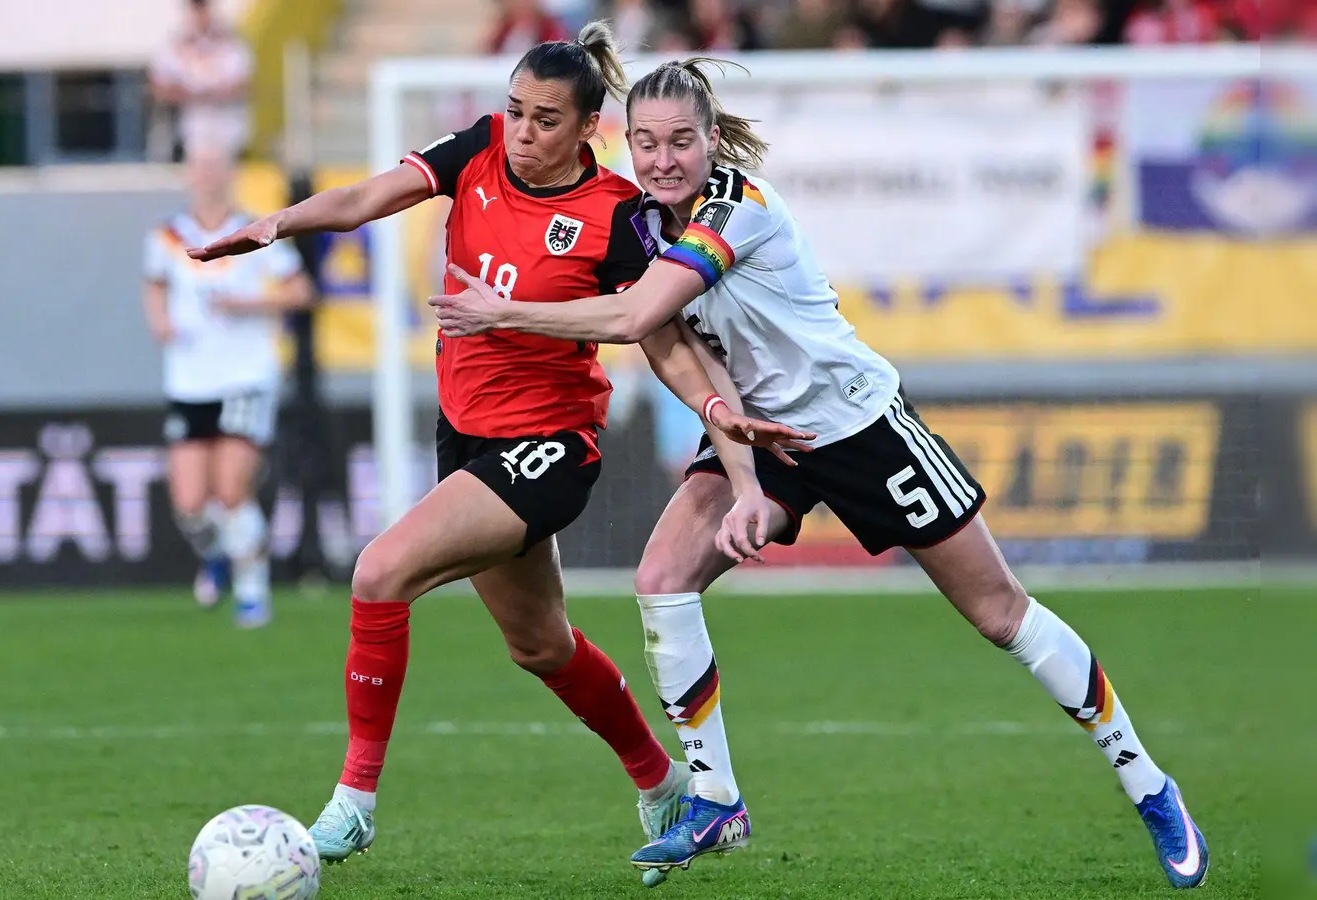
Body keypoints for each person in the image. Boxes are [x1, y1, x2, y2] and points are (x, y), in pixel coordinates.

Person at [429, 58, 1211, 889]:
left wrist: (502, 310)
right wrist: (746, 479)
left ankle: (1150, 786)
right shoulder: (639, 223)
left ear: (711, 138)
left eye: (681, 142)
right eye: (647, 143)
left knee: (999, 614)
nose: (662, 160)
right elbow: (684, 357)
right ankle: (716, 797)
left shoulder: (740, 208)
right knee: (662, 578)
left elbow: (632, 317)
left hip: (856, 424)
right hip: (760, 432)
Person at [186, 25, 806, 864]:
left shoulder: (618, 215)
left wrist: (723, 431)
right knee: (539, 644)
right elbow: (369, 197)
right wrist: (277, 224)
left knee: (379, 572)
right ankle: (661, 785)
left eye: (545, 120)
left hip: (551, 446)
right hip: (467, 435)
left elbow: (658, 336)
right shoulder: (477, 151)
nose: (522, 131)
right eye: (514, 110)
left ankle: (353, 799)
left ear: (589, 128)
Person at [143, 149, 314, 627]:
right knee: (190, 504)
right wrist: (158, 319)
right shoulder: (167, 237)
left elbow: (301, 292)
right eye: (200, 168)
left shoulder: (255, 232)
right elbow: (154, 286)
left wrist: (248, 303)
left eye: (216, 168)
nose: (208, 178)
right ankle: (216, 555)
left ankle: (252, 590)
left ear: (230, 176)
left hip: (245, 378)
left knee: (231, 490)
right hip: (190, 380)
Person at [148, 0, 253, 160]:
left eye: (203, 7)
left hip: (228, 129)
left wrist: (209, 94)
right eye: (196, 7)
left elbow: (244, 84)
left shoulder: (232, 44)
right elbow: (159, 88)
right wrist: (194, 95)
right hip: (189, 131)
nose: (200, 14)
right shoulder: (173, 46)